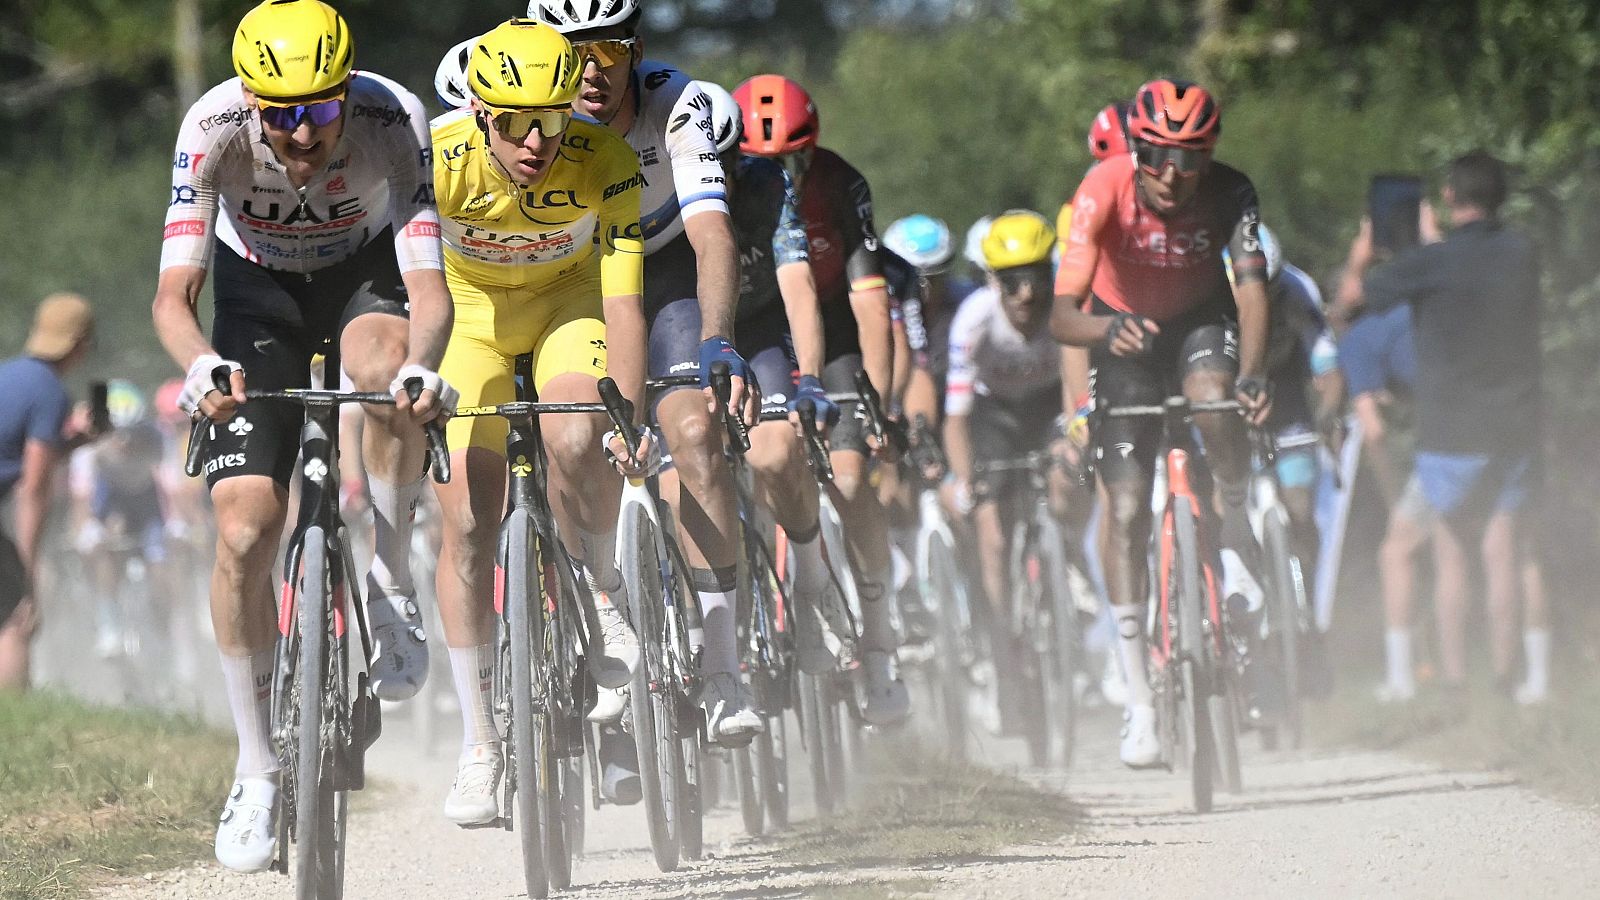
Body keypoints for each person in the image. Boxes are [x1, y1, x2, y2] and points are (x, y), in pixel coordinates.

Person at [150, 0, 454, 871]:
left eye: (321, 109)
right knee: (244, 526)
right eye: (280, 113)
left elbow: (428, 287)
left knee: (385, 372)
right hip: (256, 298)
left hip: (365, 280)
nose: (303, 131)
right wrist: (203, 364)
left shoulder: (392, 116)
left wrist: (420, 367)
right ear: (250, 103)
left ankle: (393, 574)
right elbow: (174, 298)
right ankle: (254, 766)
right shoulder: (210, 126)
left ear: (346, 93)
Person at [426, 19, 655, 822]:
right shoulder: (437, 159)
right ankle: (481, 745)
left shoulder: (610, 160)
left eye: (553, 120)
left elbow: (624, 301)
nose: (535, 141)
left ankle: (601, 588)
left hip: (568, 308)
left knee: (575, 433)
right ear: (479, 112)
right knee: (465, 520)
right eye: (514, 123)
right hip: (470, 320)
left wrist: (625, 414)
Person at [530, 1, 766, 772]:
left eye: (609, 49)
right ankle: (577, 638)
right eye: (573, 52)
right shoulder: (523, 106)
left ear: (636, 50)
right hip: (564, 281)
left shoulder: (681, 105)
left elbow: (711, 234)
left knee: (695, 432)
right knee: (559, 448)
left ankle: (723, 666)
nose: (592, 71)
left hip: (662, 275)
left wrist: (718, 340)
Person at [1050, 78, 1273, 768]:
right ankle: (1140, 706)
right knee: (1122, 509)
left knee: (1214, 397)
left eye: (1191, 158)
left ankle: (1231, 525)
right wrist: (1106, 327)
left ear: (1210, 158)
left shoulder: (1233, 192)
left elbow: (1254, 290)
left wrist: (1254, 375)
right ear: (1137, 149)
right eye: (1156, 156)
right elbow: (1062, 317)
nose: (1172, 175)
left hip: (1201, 324)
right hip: (1124, 338)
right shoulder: (1103, 186)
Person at [735, 73, 912, 725]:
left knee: (848, 475)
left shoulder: (840, 184)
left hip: (832, 326)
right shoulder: (722, 182)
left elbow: (871, 303)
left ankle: (880, 637)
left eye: (796, 159)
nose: (783, 172)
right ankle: (751, 630)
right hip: (757, 329)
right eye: (766, 162)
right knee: (748, 464)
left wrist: (879, 406)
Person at [1341, 152, 1549, 702]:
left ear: (1451, 197)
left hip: (1452, 433)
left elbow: (1349, 305)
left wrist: (1365, 255)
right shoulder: (1522, 253)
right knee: (1504, 551)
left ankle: (1455, 681)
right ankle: (1508, 681)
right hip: (1517, 426)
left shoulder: (1433, 262)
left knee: (1441, 546)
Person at [696, 80, 844, 673]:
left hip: (756, 328)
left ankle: (811, 581)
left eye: (727, 164)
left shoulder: (766, 182)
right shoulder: (656, 180)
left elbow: (798, 286)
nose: (717, 178)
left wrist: (808, 378)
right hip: (696, 330)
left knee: (777, 454)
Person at [941, 211, 1076, 733]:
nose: (1025, 294)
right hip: (992, 416)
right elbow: (955, 418)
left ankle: (1071, 574)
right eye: (1011, 282)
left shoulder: (1063, 311)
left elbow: (1073, 389)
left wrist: (1071, 440)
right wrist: (964, 480)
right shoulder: (973, 320)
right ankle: (1002, 632)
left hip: (1047, 409)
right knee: (992, 532)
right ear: (993, 281)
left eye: (1036, 278)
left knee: (1069, 479)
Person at [1330, 230, 1433, 702]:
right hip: (1494, 425)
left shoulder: (1358, 340)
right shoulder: (1423, 310)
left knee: (1395, 553)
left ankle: (1401, 678)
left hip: (1444, 448)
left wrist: (1392, 496)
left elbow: (1372, 431)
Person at [0, 292, 100, 689]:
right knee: (14, 613)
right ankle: (11, 720)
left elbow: (17, 457)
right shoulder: (49, 391)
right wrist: (27, 568)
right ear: (78, 343)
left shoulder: (8, 374)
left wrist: (74, 443)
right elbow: (35, 484)